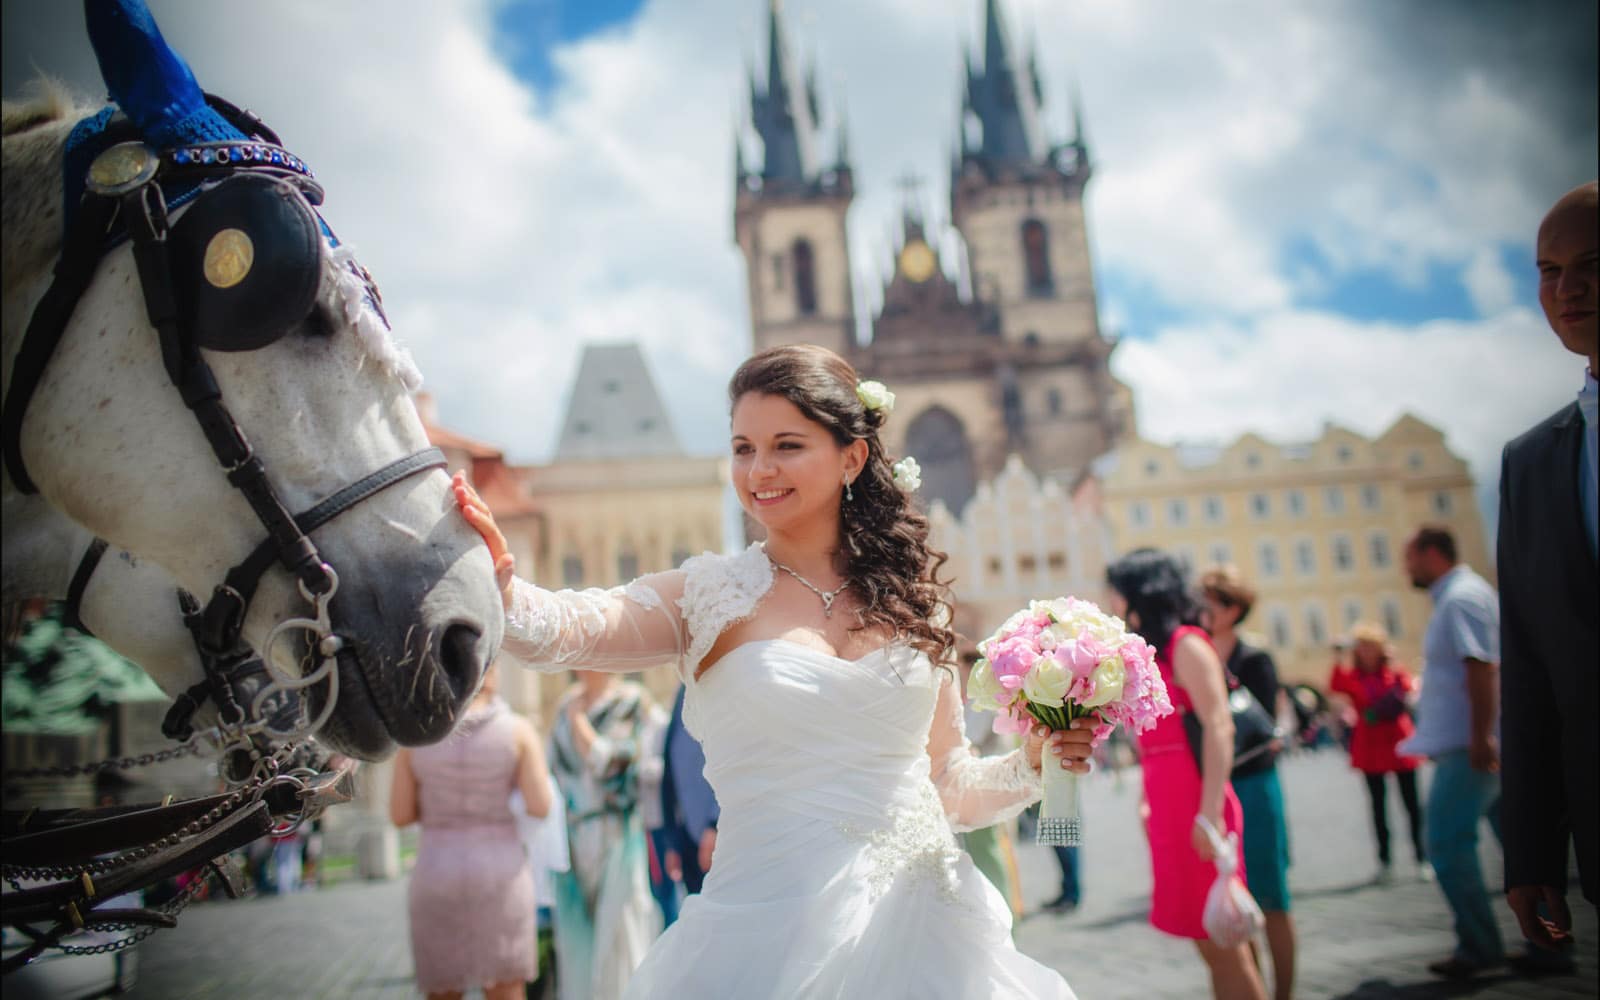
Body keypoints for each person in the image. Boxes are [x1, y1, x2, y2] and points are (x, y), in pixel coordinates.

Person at [456, 343, 1095, 998]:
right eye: (742, 448)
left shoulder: (915, 603)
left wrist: (1032, 765)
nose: (759, 469)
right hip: (764, 939)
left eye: (787, 445)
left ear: (852, 456)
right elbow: (563, 630)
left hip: (927, 938)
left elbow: (948, 786)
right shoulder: (707, 595)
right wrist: (495, 586)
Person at [1498, 179, 1598, 975]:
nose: (1570, 289)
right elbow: (1527, 669)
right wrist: (1531, 849)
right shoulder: (1530, 463)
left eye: (1593, 263)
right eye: (1549, 270)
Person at [1107, 549, 1266, 1000]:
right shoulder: (1150, 652)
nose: (1114, 601)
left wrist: (1210, 813)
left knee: (1225, 940)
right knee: (1207, 936)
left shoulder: (1188, 644)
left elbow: (1219, 724)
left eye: (1118, 590)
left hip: (1198, 801)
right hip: (1168, 801)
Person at [390, 662, 554, 1000]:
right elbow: (541, 805)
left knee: (443, 991)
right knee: (507, 988)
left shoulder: (414, 735)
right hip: (500, 872)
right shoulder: (519, 731)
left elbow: (400, 814)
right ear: (490, 673)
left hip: (437, 871)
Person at [1396, 525, 1504, 979]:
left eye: (1411, 557)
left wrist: (1481, 736)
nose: (1407, 567)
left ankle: (1479, 945)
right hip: (1473, 742)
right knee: (1520, 845)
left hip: (1471, 747)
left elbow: (1482, 669)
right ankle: (1547, 943)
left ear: (1431, 553)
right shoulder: (1458, 596)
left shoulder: (1461, 597)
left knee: (1445, 842)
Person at [1198, 564, 1295, 1000]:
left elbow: (1265, 724)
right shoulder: (1194, 650)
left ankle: (1284, 992)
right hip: (1219, 789)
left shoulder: (1254, 656)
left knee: (1272, 900)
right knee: (1236, 897)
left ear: (1232, 608)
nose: (1200, 610)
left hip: (1255, 782)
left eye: (1209, 603)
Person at [546, 669, 662, 1000]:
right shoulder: (564, 705)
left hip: (618, 835)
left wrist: (579, 722)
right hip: (573, 839)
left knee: (622, 936)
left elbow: (616, 763)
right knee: (576, 943)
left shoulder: (632, 702)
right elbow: (552, 770)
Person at [1328, 623, 1427, 885]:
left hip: (1397, 740)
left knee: (1412, 804)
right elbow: (1335, 684)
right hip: (1371, 743)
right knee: (1378, 805)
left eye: (1371, 646)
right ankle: (1385, 861)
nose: (1366, 652)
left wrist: (1393, 665)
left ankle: (1422, 857)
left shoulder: (1393, 672)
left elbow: (1408, 690)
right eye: (1362, 647)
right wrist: (1337, 656)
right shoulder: (1355, 677)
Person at [658, 682, 719, 903]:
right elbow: (668, 771)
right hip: (688, 839)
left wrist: (715, 825)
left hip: (721, 837)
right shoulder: (682, 692)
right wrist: (672, 841)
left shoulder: (723, 685)